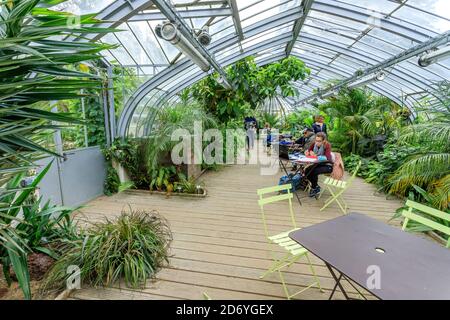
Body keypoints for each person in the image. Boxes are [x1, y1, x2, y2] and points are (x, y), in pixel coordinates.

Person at [304, 132, 333, 197]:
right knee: (306, 171)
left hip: (328, 165)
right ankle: (316, 186)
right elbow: (308, 151)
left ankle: (314, 188)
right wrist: (307, 153)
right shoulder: (314, 144)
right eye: (316, 140)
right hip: (317, 164)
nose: (317, 142)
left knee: (314, 171)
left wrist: (315, 156)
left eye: (319, 141)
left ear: (324, 140)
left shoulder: (327, 145)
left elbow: (327, 158)